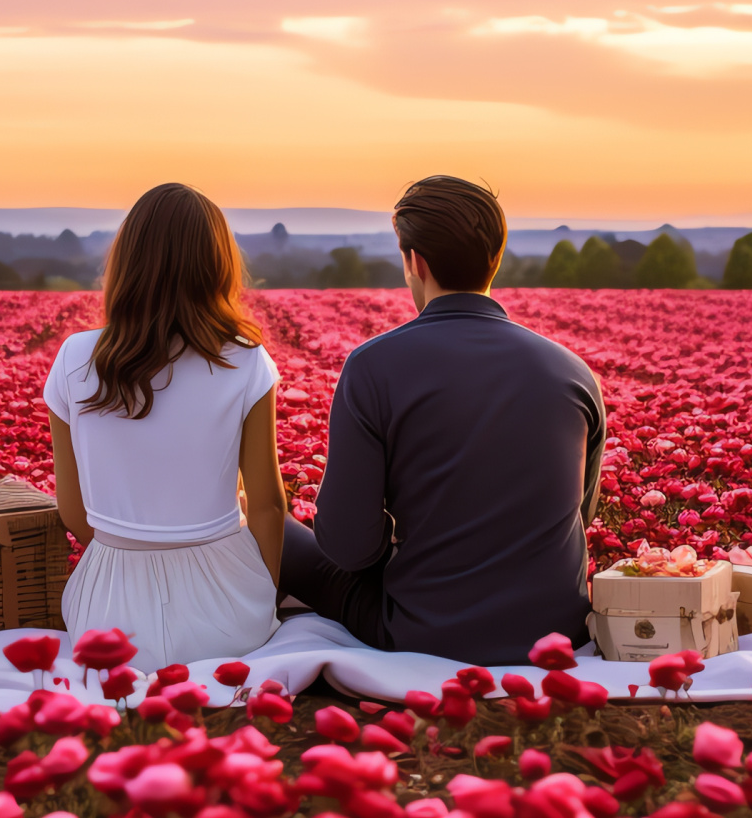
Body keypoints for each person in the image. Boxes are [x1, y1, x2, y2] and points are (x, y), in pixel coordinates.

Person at [280, 176, 605, 666]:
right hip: (555, 633)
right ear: (496, 256)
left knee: (273, 532)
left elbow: (348, 550)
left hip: (423, 632)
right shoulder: (573, 373)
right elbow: (579, 518)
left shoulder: (374, 366)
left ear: (416, 261)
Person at [44, 183, 286, 668]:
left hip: (106, 621)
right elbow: (268, 506)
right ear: (218, 267)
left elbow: (73, 511)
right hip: (227, 619)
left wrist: (135, 556)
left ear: (126, 263)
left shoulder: (74, 357)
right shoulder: (246, 360)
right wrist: (262, 593)